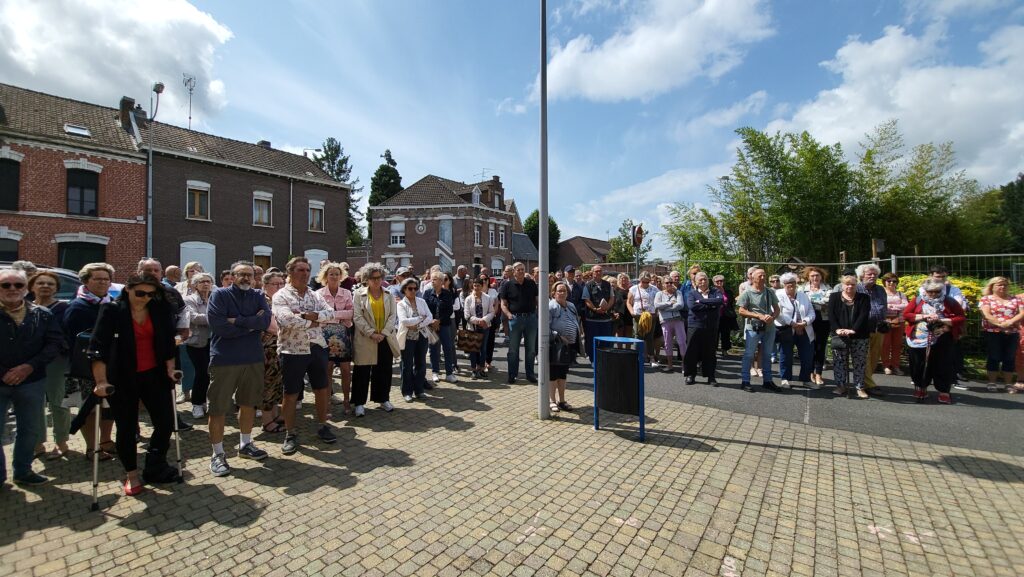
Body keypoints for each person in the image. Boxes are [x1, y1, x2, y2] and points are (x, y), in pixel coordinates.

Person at [89, 275, 180, 493]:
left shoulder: (157, 309)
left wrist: (171, 369)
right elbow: (98, 348)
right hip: (122, 377)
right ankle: (131, 474)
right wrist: (101, 381)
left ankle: (155, 465)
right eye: (140, 293)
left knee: (166, 422)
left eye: (151, 294)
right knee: (127, 427)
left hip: (155, 374)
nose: (145, 298)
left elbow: (167, 342)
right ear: (128, 290)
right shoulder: (112, 310)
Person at [206, 261, 272, 475]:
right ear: (232, 276)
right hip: (225, 359)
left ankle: (245, 444)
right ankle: (217, 454)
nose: (246, 278)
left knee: (248, 403)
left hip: (253, 358)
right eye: (241, 274)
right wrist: (251, 325)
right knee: (218, 408)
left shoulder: (258, 295)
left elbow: (265, 322)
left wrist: (237, 321)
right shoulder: (219, 295)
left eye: (249, 275)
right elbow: (220, 327)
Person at [0, 268, 62, 486]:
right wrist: (4, 372)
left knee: (29, 429)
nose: (12, 289)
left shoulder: (42, 314)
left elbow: (54, 343)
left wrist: (28, 367)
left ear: (26, 288)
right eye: (5, 285)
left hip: (32, 381)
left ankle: (23, 471)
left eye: (18, 285)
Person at [272, 257, 337, 455]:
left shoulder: (314, 295)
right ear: (290, 272)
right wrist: (312, 320)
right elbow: (286, 320)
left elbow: (331, 314)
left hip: (317, 347)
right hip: (292, 350)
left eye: (307, 270)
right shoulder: (281, 295)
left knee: (321, 388)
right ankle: (290, 433)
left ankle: (322, 425)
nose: (305, 273)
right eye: (300, 270)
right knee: (291, 393)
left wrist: (310, 316)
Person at [64, 263, 117, 459]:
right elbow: (73, 340)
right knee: (90, 409)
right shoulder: (77, 307)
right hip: (86, 367)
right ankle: (92, 448)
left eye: (106, 279)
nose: (103, 282)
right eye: (97, 279)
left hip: (111, 364)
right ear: (86, 281)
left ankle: (106, 440)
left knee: (109, 407)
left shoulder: (113, 304)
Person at [27, 271, 72, 460]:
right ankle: (37, 443)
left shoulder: (63, 308)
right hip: (29, 363)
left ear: (56, 288)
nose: (45, 286)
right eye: (41, 283)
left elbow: (64, 335)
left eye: (50, 284)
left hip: (56, 361)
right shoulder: (24, 307)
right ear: (32, 287)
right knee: (33, 403)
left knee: (58, 401)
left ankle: (61, 442)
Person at [904, 278, 966, 404]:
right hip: (920, 337)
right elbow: (906, 314)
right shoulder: (918, 300)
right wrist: (924, 316)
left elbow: (961, 317)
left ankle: (944, 391)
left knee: (943, 364)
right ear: (925, 291)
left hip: (943, 337)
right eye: (930, 291)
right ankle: (921, 387)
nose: (933, 294)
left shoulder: (949, 301)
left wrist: (943, 320)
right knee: (920, 363)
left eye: (937, 292)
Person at [351, 263, 400, 416]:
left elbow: (393, 316)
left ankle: (383, 399)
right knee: (362, 371)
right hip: (366, 338)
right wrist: (371, 333)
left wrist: (383, 333)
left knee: (384, 370)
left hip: (385, 338)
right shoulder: (358, 294)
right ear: (367, 279)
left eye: (379, 277)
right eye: (373, 278)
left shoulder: (388, 294)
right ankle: (359, 403)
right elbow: (357, 317)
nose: (377, 281)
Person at [921, 265, 970, 387]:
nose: (941, 279)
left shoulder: (953, 289)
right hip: (930, 325)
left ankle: (950, 379)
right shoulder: (923, 288)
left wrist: (944, 315)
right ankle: (928, 378)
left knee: (949, 353)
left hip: (948, 326)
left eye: (943, 276)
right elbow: (925, 302)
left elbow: (959, 304)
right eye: (938, 276)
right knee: (929, 353)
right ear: (931, 276)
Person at [316, 263, 355, 413]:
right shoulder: (318, 294)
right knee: (327, 369)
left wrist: (331, 315)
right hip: (324, 335)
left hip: (342, 334)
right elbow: (318, 315)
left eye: (337, 274)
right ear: (325, 276)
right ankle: (327, 403)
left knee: (345, 369)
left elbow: (350, 313)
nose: (334, 276)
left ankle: (346, 401)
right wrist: (339, 315)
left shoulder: (346, 293)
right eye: (331, 274)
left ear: (341, 276)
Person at [829, 273, 872, 399]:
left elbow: (863, 315)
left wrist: (853, 330)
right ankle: (841, 386)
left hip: (859, 335)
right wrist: (837, 329)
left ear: (856, 285)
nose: (850, 287)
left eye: (853, 284)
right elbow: (831, 315)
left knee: (859, 362)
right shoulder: (834, 297)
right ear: (842, 285)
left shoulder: (864, 298)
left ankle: (859, 387)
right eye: (847, 284)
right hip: (839, 335)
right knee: (839, 361)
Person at [738, 268, 780, 392]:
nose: (763, 277)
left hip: (769, 328)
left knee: (767, 354)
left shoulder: (769, 292)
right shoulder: (747, 293)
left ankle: (768, 381)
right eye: (760, 275)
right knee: (749, 354)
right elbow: (741, 310)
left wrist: (772, 317)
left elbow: (777, 309)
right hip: (753, 328)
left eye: (764, 275)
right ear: (753, 278)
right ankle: (745, 381)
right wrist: (758, 316)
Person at [979, 277, 1024, 392]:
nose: (1003, 287)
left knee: (1009, 358)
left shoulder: (1016, 299)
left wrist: (1010, 322)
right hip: (993, 332)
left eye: (1005, 285)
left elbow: (1022, 313)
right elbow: (986, 314)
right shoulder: (986, 299)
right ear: (992, 286)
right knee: (994, 357)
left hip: (1012, 332)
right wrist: (1001, 325)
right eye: (999, 285)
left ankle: (1008, 384)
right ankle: (992, 382)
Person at [499, 262, 539, 384]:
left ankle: (530, 374)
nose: (521, 271)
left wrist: (537, 314)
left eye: (523, 269)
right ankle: (512, 375)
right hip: (515, 319)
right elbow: (503, 304)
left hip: (531, 319)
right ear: (514, 271)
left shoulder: (531, 283)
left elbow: (537, 300)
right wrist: (509, 315)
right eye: (518, 270)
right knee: (513, 350)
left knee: (531, 349)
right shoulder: (507, 285)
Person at [775, 273, 816, 388]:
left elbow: (811, 312)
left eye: (793, 282)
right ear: (783, 284)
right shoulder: (778, 294)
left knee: (807, 355)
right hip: (787, 329)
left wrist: (804, 323)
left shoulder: (803, 295)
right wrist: (793, 324)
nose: (791, 285)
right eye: (788, 283)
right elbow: (778, 313)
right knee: (786, 355)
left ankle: (806, 379)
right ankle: (785, 379)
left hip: (804, 329)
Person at [183, 272, 214, 420]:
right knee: (201, 372)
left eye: (208, 281)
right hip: (196, 343)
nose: (206, 284)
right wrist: (217, 317)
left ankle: (204, 401)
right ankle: (196, 403)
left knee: (210, 373)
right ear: (195, 285)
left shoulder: (214, 298)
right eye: (202, 282)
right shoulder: (189, 300)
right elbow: (194, 318)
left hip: (214, 342)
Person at [397, 277, 433, 401]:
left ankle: (419, 390)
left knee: (421, 364)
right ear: (404, 289)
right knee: (407, 365)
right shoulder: (401, 304)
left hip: (422, 336)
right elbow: (404, 321)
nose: (413, 291)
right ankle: (407, 392)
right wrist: (420, 318)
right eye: (410, 288)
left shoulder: (421, 301)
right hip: (407, 337)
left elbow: (429, 317)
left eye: (415, 288)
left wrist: (417, 324)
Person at [684, 272, 723, 384]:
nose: (703, 281)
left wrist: (701, 301)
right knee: (692, 351)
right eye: (700, 279)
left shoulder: (715, 292)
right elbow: (692, 306)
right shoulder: (692, 293)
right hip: (695, 325)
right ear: (696, 282)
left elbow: (719, 301)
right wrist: (711, 305)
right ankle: (690, 374)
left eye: (705, 279)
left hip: (711, 326)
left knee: (710, 351)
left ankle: (711, 376)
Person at [548, 281, 580, 412]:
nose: (562, 293)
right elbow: (545, 327)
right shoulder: (550, 306)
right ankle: (552, 401)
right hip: (555, 346)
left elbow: (576, 320)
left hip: (569, 346)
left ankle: (562, 400)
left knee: (563, 374)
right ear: (554, 293)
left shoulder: (571, 306)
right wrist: (559, 336)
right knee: (553, 374)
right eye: (559, 291)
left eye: (564, 291)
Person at [857, 263, 888, 396]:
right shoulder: (856, 288)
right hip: (862, 327)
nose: (872, 276)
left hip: (878, 327)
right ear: (862, 275)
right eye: (869, 274)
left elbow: (884, 306)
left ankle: (865, 380)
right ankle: (869, 384)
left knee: (874, 356)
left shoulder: (880, 289)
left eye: (875, 274)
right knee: (865, 356)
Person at [259, 271, 285, 432]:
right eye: (275, 284)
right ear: (265, 285)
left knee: (277, 383)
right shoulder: (262, 302)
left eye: (281, 283)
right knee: (268, 383)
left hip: (281, 347)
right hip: (267, 348)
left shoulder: (282, 300)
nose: (279, 287)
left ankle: (275, 414)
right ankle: (267, 421)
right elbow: (271, 326)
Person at [423, 271, 457, 384]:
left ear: (441, 281)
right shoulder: (427, 293)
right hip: (431, 325)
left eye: (435, 279)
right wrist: (432, 321)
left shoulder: (447, 293)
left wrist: (439, 321)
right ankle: (435, 372)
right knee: (433, 349)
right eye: (431, 279)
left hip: (445, 324)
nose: (432, 281)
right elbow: (424, 309)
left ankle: (449, 373)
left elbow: (449, 310)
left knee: (447, 348)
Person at [799, 267, 831, 386]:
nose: (815, 278)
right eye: (812, 276)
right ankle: (810, 372)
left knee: (820, 347)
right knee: (809, 347)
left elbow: (827, 302)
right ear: (808, 277)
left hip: (823, 320)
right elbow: (800, 303)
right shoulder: (802, 289)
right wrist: (819, 302)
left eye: (817, 275)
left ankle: (818, 374)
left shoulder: (828, 289)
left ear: (821, 277)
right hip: (808, 320)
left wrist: (811, 302)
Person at [581, 264, 615, 365]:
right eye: (596, 271)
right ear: (592, 273)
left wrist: (607, 308)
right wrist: (595, 309)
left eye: (600, 271)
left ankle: (605, 361)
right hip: (592, 319)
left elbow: (612, 298)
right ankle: (593, 360)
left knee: (606, 341)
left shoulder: (608, 284)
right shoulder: (588, 285)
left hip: (606, 319)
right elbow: (587, 300)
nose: (599, 272)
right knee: (592, 341)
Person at [463, 277, 495, 379]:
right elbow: (466, 315)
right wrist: (478, 321)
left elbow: (492, 312)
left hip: (485, 327)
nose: (476, 288)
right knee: (473, 349)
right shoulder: (468, 299)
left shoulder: (488, 298)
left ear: (482, 286)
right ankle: (473, 370)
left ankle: (481, 369)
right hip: (472, 327)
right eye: (475, 285)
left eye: (478, 286)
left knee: (483, 349)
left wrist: (484, 320)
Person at [654, 278, 686, 374]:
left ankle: (684, 365)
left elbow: (680, 305)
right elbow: (657, 305)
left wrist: (666, 308)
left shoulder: (678, 293)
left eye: (671, 282)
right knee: (667, 343)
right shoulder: (659, 294)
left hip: (678, 320)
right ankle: (670, 365)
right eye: (667, 282)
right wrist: (670, 303)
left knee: (682, 342)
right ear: (663, 284)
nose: (669, 284)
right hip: (665, 321)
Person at [627, 272, 659, 366]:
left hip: (651, 315)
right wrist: (632, 312)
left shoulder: (654, 289)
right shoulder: (633, 289)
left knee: (650, 336)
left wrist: (656, 313)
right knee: (638, 336)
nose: (645, 284)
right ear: (640, 280)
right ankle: (637, 357)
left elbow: (658, 301)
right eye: (643, 281)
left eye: (647, 282)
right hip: (638, 315)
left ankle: (651, 357)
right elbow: (629, 302)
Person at [880, 273, 908, 375]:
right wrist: (895, 306)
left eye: (894, 281)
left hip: (899, 321)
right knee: (885, 344)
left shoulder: (901, 294)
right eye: (889, 281)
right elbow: (880, 305)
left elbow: (906, 305)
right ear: (884, 282)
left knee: (897, 345)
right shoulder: (881, 293)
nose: (891, 283)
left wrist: (891, 306)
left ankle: (896, 366)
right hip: (885, 322)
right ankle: (886, 365)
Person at [713, 275, 737, 357]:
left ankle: (725, 350)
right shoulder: (711, 291)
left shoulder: (728, 291)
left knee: (726, 334)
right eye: (717, 281)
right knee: (714, 334)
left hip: (726, 316)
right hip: (715, 316)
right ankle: (713, 350)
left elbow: (731, 302)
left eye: (721, 281)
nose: (719, 282)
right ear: (714, 282)